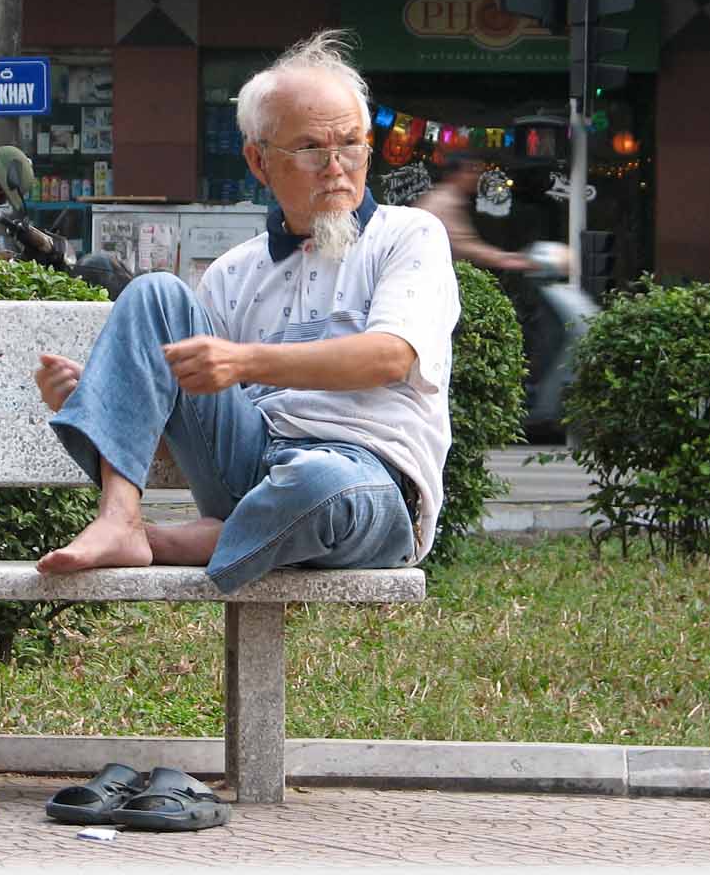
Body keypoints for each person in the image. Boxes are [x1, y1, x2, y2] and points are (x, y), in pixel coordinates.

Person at [31, 29, 460, 592]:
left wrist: (245, 362)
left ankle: (162, 541)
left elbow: (389, 356)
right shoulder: (234, 271)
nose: (337, 166)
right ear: (259, 162)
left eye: (351, 144)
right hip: (250, 465)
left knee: (316, 482)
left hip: (365, 479)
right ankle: (119, 517)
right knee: (156, 293)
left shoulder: (409, 236)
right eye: (310, 148)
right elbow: (187, 436)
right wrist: (105, 398)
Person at [412, 154, 539, 272]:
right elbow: (464, 246)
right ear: (454, 174)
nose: (476, 177)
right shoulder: (444, 201)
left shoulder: (447, 197)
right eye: (470, 170)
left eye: (477, 171)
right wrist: (508, 260)